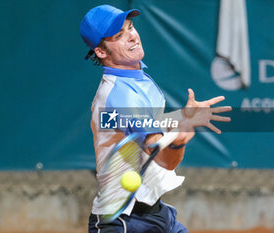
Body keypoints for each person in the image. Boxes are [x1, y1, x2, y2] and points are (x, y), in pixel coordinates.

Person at [80, 5, 232, 233]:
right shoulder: (121, 96)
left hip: (154, 213)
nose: (132, 36)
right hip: (125, 222)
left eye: (130, 27)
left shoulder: (131, 78)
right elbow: (164, 159)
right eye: (119, 36)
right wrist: (179, 141)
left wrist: (183, 116)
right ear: (101, 52)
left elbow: (133, 125)